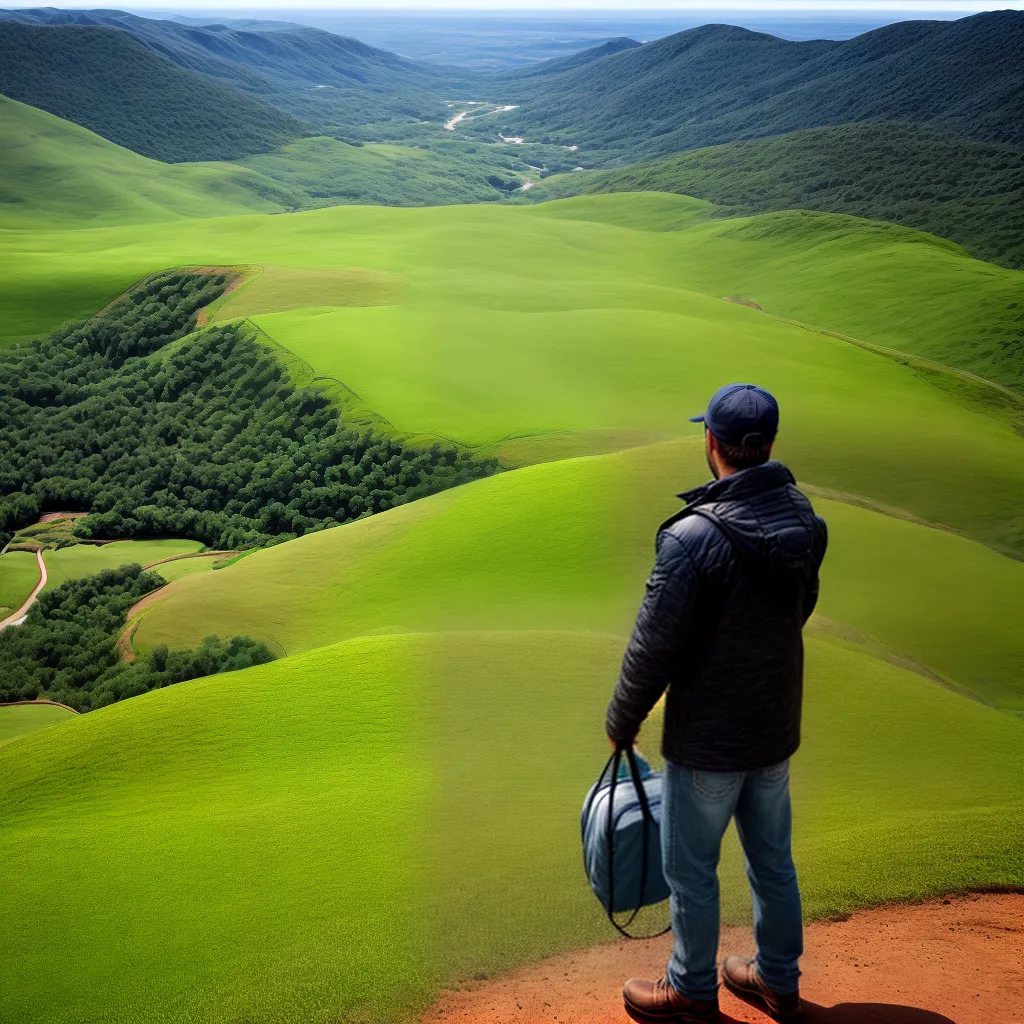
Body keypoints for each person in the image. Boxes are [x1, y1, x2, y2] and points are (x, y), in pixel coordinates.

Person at [605, 383, 828, 1024]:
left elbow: (652, 648)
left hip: (707, 740)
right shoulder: (804, 521)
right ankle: (777, 981)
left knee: (693, 873)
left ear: (711, 443)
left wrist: (622, 720)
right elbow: (798, 611)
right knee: (773, 863)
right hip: (774, 726)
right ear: (771, 445)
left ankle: (691, 989)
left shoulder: (689, 539)